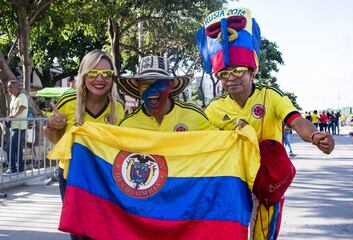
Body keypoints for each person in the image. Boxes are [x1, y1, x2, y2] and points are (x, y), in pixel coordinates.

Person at [196, 7, 335, 239]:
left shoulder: (271, 96)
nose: (231, 78)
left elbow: (296, 120)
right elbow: (200, 144)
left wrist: (315, 137)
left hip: (268, 183)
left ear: (252, 71)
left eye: (238, 70)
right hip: (232, 187)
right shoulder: (213, 109)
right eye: (224, 73)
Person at [44, 49, 124, 240]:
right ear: (83, 74)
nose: (100, 79)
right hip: (72, 177)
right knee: (80, 232)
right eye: (93, 73)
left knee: (105, 231)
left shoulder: (118, 108)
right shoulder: (68, 101)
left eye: (106, 74)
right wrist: (53, 126)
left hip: (106, 178)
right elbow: (52, 138)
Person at [116, 55, 217, 131]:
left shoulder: (195, 117)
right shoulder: (127, 126)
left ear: (171, 85)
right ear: (138, 86)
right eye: (146, 83)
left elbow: (220, 145)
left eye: (159, 83)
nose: (152, 89)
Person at [5, 80, 29, 174]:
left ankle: (12, 168)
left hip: (20, 126)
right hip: (14, 126)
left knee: (9, 147)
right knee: (17, 148)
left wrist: (13, 116)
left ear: (16, 87)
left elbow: (22, 107)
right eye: (8, 87)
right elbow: (12, 111)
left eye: (10, 87)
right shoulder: (13, 97)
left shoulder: (22, 96)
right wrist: (9, 117)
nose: (9, 89)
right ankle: (20, 167)